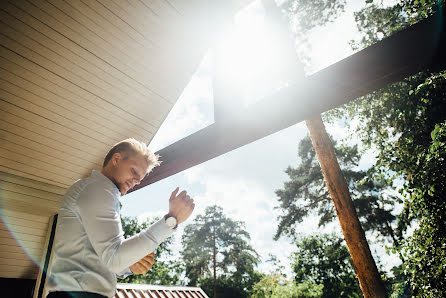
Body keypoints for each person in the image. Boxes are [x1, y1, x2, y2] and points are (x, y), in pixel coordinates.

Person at [46, 138, 195, 298]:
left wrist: (129, 266)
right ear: (116, 160)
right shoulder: (98, 189)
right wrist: (170, 221)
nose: (137, 181)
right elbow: (113, 258)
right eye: (134, 171)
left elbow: (104, 260)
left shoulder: (97, 192)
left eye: (140, 177)